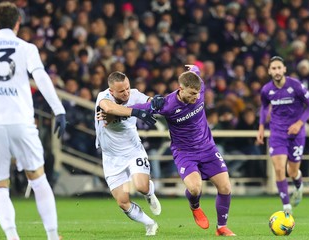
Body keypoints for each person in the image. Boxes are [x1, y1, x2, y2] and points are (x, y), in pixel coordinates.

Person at [98, 66, 236, 236]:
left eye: (198, 93)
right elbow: (141, 107)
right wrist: (116, 116)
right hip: (185, 152)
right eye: (192, 94)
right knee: (195, 189)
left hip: (208, 147)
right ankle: (195, 206)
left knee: (225, 187)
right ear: (181, 89)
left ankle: (221, 227)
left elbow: (195, 74)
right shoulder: (168, 105)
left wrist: (194, 68)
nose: (197, 97)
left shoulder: (198, 86)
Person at [0, 2, 66, 240]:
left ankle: (12, 237)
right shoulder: (26, 48)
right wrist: (59, 109)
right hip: (21, 121)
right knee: (38, 177)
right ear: (17, 24)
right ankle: (53, 236)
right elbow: (41, 77)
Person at [94, 71, 161, 236]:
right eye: (121, 91)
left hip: (133, 151)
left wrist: (157, 101)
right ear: (111, 91)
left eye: (127, 88)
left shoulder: (135, 95)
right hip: (111, 158)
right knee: (122, 202)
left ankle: (149, 192)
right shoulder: (103, 98)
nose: (126, 93)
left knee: (141, 186)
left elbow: (150, 102)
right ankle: (150, 224)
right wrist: (136, 112)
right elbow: (109, 108)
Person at [256, 56, 309, 214]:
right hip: (277, 133)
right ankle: (286, 206)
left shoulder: (295, 86)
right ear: (269, 71)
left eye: (278, 68)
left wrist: (299, 123)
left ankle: (298, 183)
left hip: (296, 134)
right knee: (280, 169)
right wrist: (261, 127)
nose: (276, 71)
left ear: (284, 69)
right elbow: (263, 107)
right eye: (273, 68)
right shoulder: (266, 90)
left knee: (292, 171)